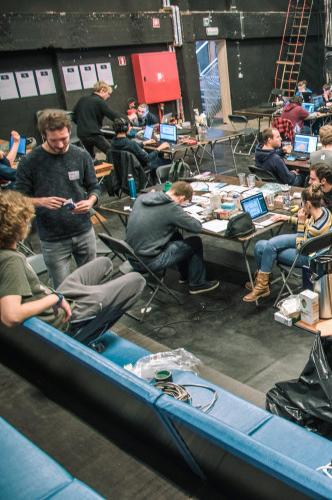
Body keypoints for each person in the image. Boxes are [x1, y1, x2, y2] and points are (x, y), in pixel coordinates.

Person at [0, 190, 145, 348]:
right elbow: (10, 315)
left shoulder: (6, 254)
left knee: (104, 263)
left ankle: (91, 304)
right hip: (63, 317)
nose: (29, 224)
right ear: (16, 226)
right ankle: (85, 337)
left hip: (55, 299)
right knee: (137, 281)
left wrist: (56, 297)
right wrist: (55, 299)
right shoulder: (11, 260)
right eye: (26, 220)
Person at [15, 110, 101, 289]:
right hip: (53, 238)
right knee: (62, 289)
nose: (60, 145)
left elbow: (95, 187)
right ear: (43, 135)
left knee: (92, 284)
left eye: (64, 138)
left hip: (83, 231)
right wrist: (40, 202)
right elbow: (17, 198)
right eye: (54, 140)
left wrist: (90, 201)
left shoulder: (81, 155)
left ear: (69, 130)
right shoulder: (30, 161)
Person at [243, 183, 332, 302]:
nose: (301, 205)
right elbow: (309, 225)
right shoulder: (325, 212)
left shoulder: (316, 229)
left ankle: (262, 285)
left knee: (263, 248)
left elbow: (300, 247)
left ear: (308, 204)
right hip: (308, 242)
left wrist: (300, 222)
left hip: (307, 257)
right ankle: (262, 283)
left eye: (302, 203)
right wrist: (287, 218)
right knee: (261, 245)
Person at [125, 181, 219, 294]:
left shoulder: (143, 198)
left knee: (175, 235)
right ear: (181, 198)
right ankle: (198, 284)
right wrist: (183, 216)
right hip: (148, 262)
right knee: (196, 242)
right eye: (183, 203)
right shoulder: (171, 208)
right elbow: (196, 227)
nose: (181, 206)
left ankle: (184, 275)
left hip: (131, 256)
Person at [73, 81, 124, 158]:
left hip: (82, 134)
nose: (108, 96)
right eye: (108, 93)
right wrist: (128, 118)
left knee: (90, 158)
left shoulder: (82, 100)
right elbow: (112, 115)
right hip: (94, 134)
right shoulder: (99, 102)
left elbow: (74, 117)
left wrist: (83, 124)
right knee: (112, 154)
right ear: (102, 90)